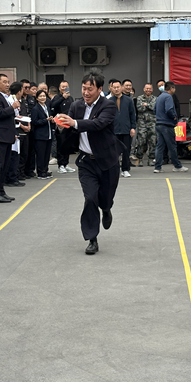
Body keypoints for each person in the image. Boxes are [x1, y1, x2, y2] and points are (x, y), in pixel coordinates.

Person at [56, 70, 120, 255]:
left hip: (107, 161)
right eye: (83, 88)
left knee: (105, 198)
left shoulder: (108, 106)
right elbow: (70, 129)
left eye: (90, 89)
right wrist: (62, 126)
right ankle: (92, 239)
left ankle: (106, 209)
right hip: (86, 162)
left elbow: (98, 124)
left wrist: (74, 123)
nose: (85, 92)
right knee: (90, 198)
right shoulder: (76, 106)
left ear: (99, 89)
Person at [0, 74, 20, 203]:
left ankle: (1, 191)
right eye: (4, 82)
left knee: (4, 167)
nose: (7, 84)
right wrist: (12, 107)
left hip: (6, 136)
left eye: (8, 82)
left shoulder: (4, 97)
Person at [153, 81, 188, 174]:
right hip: (167, 124)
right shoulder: (168, 97)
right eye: (174, 88)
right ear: (171, 88)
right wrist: (174, 117)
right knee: (172, 146)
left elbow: (154, 110)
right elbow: (169, 109)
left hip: (159, 124)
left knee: (159, 146)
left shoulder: (159, 97)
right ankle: (177, 166)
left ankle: (157, 167)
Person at [109, 80, 136, 178]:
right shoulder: (109, 101)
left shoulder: (128, 100)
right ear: (111, 89)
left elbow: (132, 114)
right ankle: (114, 169)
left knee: (126, 150)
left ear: (121, 88)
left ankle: (125, 169)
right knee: (114, 151)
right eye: (114, 87)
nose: (116, 89)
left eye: (118, 87)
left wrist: (133, 127)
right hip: (114, 130)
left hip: (126, 129)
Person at [50, 81, 76, 174]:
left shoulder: (70, 98)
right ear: (59, 88)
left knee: (67, 145)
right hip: (60, 124)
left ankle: (66, 163)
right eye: (63, 87)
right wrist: (62, 98)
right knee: (60, 144)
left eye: (66, 86)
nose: (64, 88)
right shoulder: (57, 97)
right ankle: (61, 164)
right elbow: (52, 106)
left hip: (69, 124)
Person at [31, 89, 55, 179]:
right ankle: (40, 172)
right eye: (40, 96)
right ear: (37, 98)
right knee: (40, 155)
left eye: (44, 96)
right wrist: (46, 120)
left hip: (48, 134)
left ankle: (45, 170)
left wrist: (51, 120)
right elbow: (35, 122)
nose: (42, 98)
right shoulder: (35, 109)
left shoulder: (47, 107)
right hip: (40, 135)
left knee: (46, 154)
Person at [134, 83, 157, 167]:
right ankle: (139, 158)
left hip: (152, 123)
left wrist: (146, 105)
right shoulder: (139, 98)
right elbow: (139, 108)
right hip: (142, 123)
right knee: (141, 141)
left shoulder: (155, 98)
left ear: (152, 90)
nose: (148, 90)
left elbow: (154, 108)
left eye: (150, 88)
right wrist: (149, 106)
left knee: (153, 141)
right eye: (147, 88)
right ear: (144, 89)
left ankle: (151, 159)